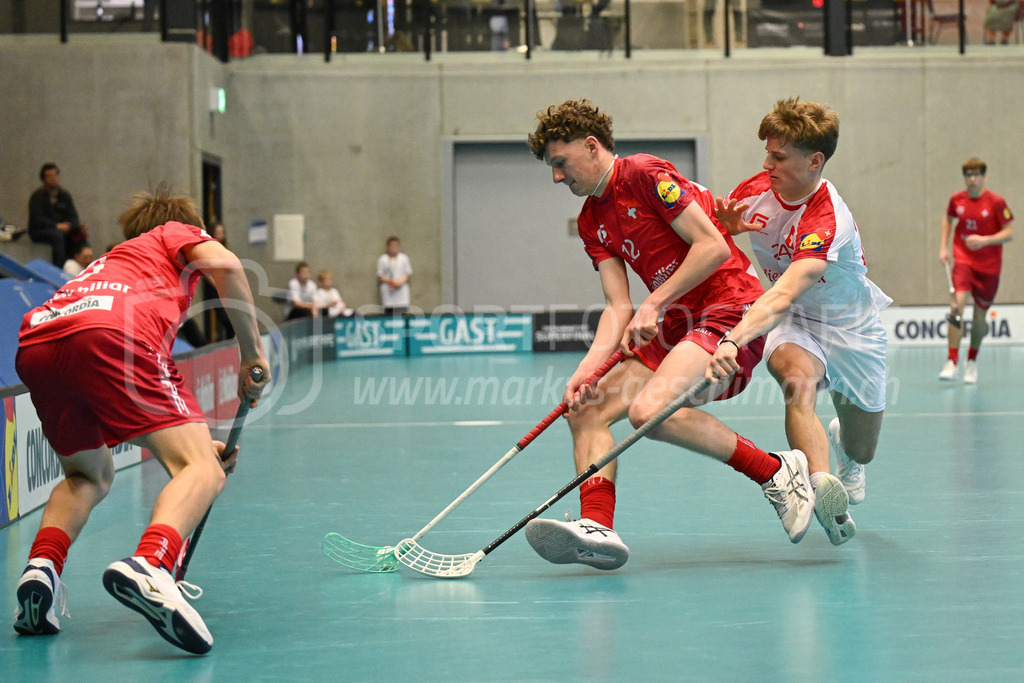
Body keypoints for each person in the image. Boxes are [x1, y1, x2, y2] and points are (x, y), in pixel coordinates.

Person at [521, 98, 815, 572]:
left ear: (591, 146)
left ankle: (775, 471)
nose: (557, 177)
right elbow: (618, 306)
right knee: (586, 410)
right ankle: (598, 526)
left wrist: (654, 302)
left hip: (728, 305)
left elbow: (713, 247)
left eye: (561, 162)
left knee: (649, 412)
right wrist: (586, 370)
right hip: (677, 323)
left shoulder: (643, 174)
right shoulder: (591, 220)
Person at [11, 186, 270, 655]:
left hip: (40, 341)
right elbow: (230, 267)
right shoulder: (173, 233)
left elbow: (134, 409)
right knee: (203, 471)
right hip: (114, 334)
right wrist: (251, 354)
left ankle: (41, 569)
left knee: (87, 476)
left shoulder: (112, 264)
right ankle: (152, 565)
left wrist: (195, 448)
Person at [709, 98, 892, 547]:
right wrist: (725, 229)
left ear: (815, 161)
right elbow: (707, 235)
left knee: (864, 447)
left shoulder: (827, 219)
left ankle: (845, 449)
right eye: (767, 154)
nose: (765, 165)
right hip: (795, 320)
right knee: (796, 379)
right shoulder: (755, 190)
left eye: (778, 157)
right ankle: (823, 489)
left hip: (850, 328)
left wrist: (733, 339)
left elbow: (785, 290)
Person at [938, 157, 1014, 384]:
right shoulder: (957, 200)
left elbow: (1009, 233)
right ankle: (952, 361)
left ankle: (971, 361)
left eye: (976, 175)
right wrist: (944, 247)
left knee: (980, 318)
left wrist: (984, 240)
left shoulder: (996, 202)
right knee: (956, 308)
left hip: (989, 268)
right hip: (963, 262)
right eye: (968, 175)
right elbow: (947, 220)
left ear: (984, 177)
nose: (972, 179)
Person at [28, 163, 90, 267]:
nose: (53, 179)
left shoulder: (64, 195)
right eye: (49, 176)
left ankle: (84, 268)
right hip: (41, 231)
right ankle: (60, 267)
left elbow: (73, 216)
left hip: (63, 229)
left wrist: (72, 226)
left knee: (81, 236)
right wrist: (57, 226)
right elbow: (38, 219)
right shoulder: (37, 197)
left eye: (55, 175)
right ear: (43, 179)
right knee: (57, 236)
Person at [201, 222, 235, 341]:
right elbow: (205, 271)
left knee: (231, 320)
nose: (220, 235)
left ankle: (229, 342)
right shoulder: (208, 249)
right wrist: (216, 284)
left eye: (222, 233)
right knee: (224, 319)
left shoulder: (224, 249)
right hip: (214, 289)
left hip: (225, 287)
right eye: (218, 232)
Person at [376, 236, 412, 316]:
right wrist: (391, 281)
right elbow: (380, 274)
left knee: (402, 312)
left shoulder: (404, 258)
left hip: (401, 290)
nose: (394, 248)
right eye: (392, 246)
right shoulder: (383, 259)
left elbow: (407, 273)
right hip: (389, 291)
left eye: (396, 246)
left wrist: (399, 282)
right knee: (389, 313)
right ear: (388, 247)